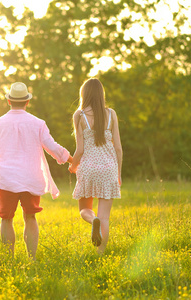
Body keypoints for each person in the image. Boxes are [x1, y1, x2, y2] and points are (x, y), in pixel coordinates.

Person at [0, 82, 72, 260]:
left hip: (6, 180)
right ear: (27, 102)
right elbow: (52, 147)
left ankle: (9, 261)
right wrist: (72, 160)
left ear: (9, 101)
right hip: (31, 178)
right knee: (30, 218)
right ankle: (31, 260)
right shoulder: (38, 124)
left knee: (6, 219)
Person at [68, 78, 122, 254]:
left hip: (88, 168)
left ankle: (93, 221)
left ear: (84, 94)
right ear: (101, 94)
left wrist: (73, 166)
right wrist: (118, 173)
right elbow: (118, 148)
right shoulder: (111, 114)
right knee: (105, 217)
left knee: (85, 209)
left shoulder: (79, 115)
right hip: (109, 168)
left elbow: (80, 149)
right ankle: (101, 254)